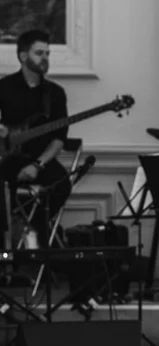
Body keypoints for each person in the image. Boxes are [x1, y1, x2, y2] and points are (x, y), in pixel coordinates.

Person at [0, 29, 71, 247]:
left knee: (62, 184)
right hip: (8, 159)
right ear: (23, 56)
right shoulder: (3, 87)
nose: (45, 58)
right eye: (39, 53)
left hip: (40, 160)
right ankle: (6, 250)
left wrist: (38, 166)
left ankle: (34, 228)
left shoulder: (55, 93)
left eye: (47, 53)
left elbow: (59, 139)